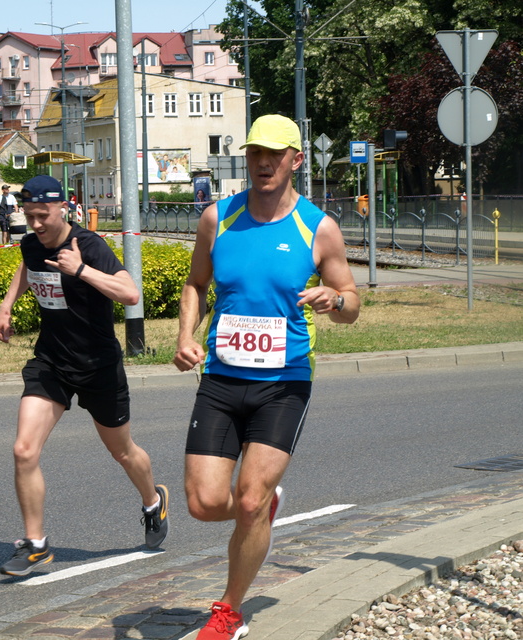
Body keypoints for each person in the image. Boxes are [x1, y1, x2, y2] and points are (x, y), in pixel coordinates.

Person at [173, 114, 360, 639]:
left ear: (295, 160)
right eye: (255, 152)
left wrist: (335, 299)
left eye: (274, 154)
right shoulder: (218, 218)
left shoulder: (317, 227)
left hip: (285, 382)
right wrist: (185, 336)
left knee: (248, 501)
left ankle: (228, 612)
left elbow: (352, 304)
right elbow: (196, 283)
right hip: (220, 378)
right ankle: (265, 504)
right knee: (205, 504)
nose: (262, 162)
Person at [0, 175, 169, 577]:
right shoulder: (31, 242)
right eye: (30, 216)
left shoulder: (89, 246)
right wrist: (6, 307)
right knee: (24, 449)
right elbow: (27, 267)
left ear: (63, 209)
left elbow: (129, 294)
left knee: (122, 452)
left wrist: (82, 269)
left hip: (98, 366)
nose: (36, 224)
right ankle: (36, 545)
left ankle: (153, 501)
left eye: (43, 216)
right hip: (51, 362)